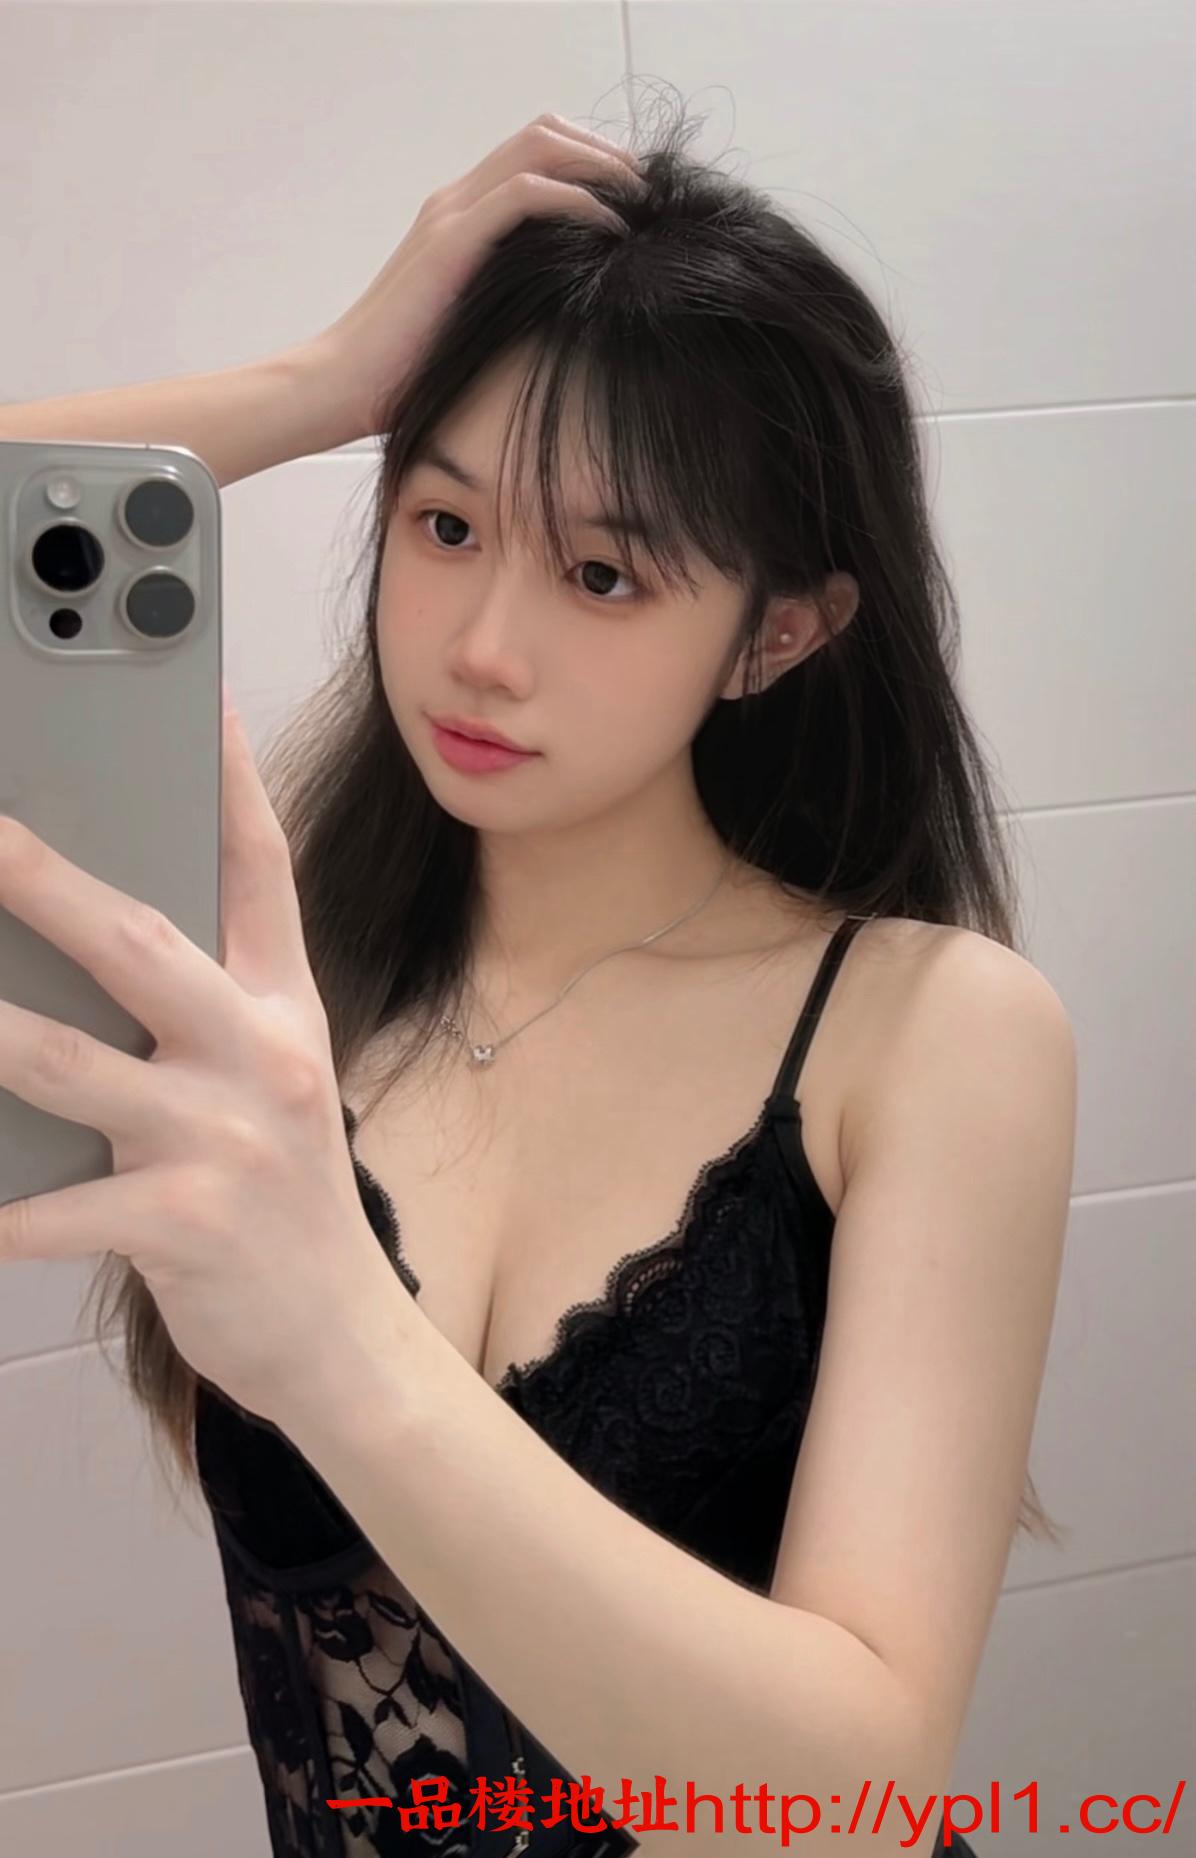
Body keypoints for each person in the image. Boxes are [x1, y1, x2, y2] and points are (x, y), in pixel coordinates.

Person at [7, 98, 1076, 1858]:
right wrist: (324, 384)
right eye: (444, 526)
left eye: (600, 571)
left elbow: (858, 1802)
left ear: (779, 630)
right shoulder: (269, 977)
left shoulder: (927, 1030)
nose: (485, 647)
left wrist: (336, 1331)